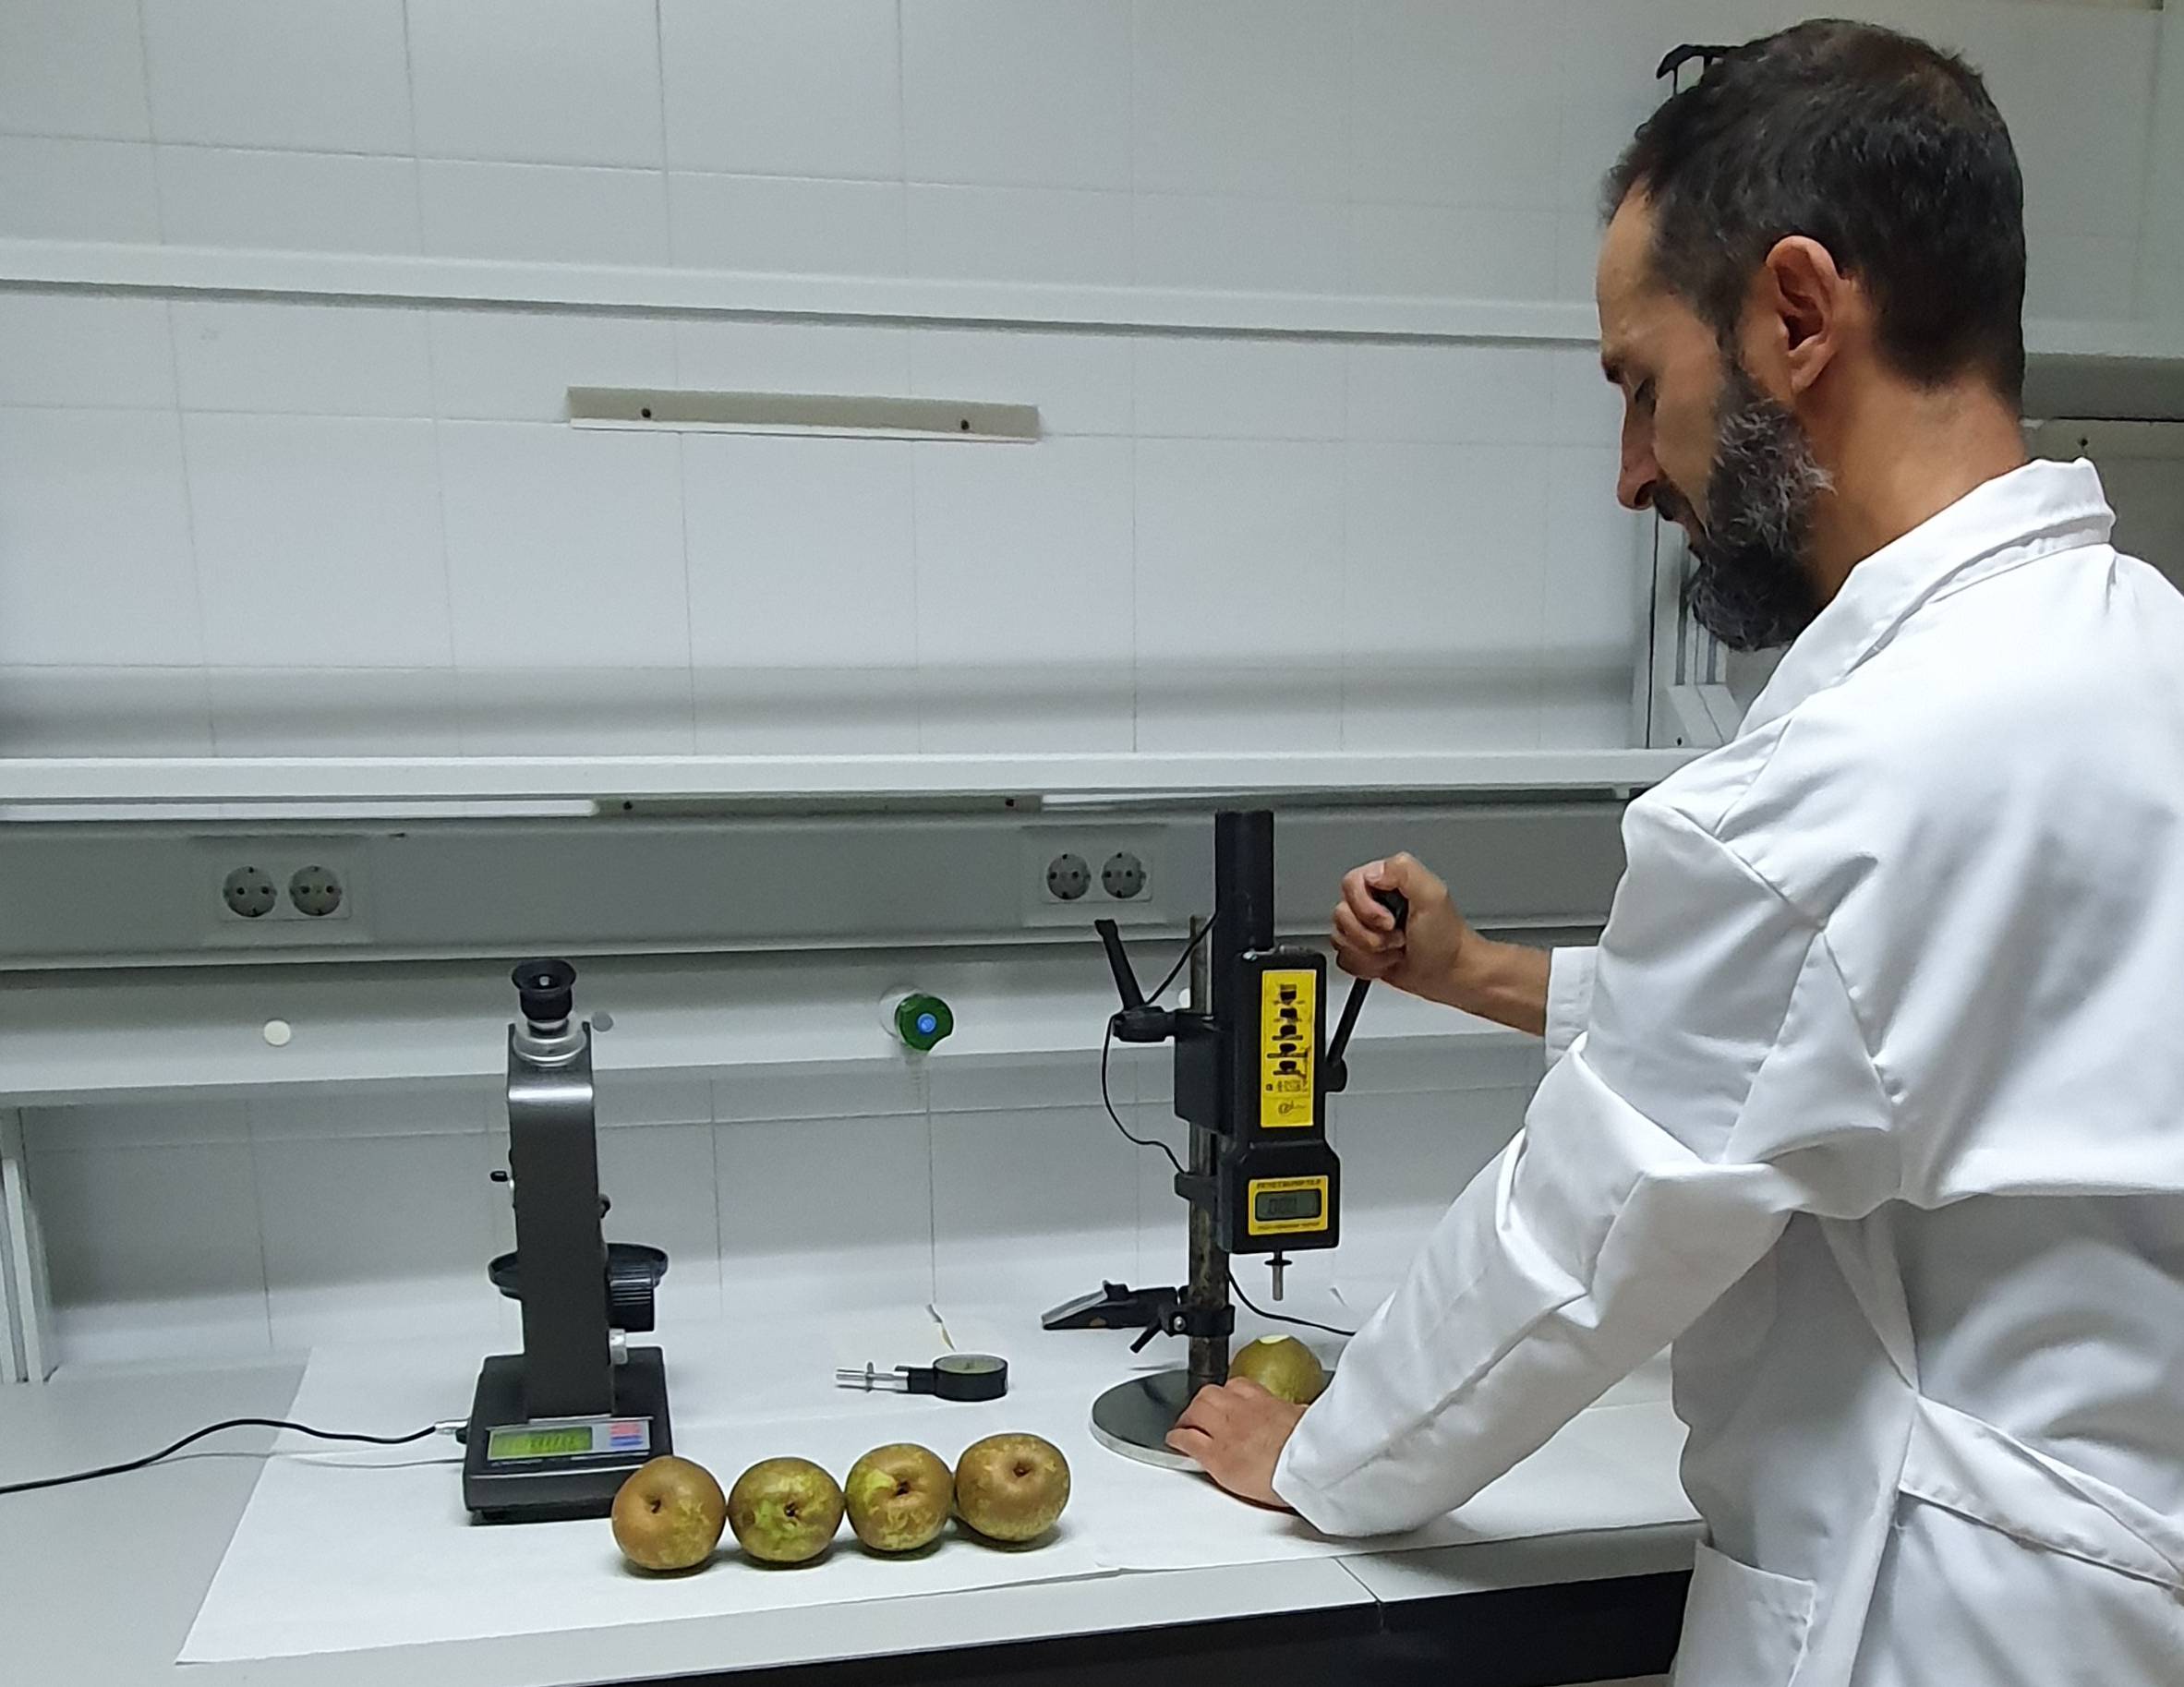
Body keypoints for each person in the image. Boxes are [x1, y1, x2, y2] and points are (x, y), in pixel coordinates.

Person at [1165, 20, 2184, 1686]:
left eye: (1642, 386)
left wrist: (1333, 1459)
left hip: (1928, 1609)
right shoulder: (2138, 658)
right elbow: (1884, 1048)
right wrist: (1479, 975)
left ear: (1796, 314)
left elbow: (1568, 1254)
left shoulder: (1849, 772)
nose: (1635, 470)